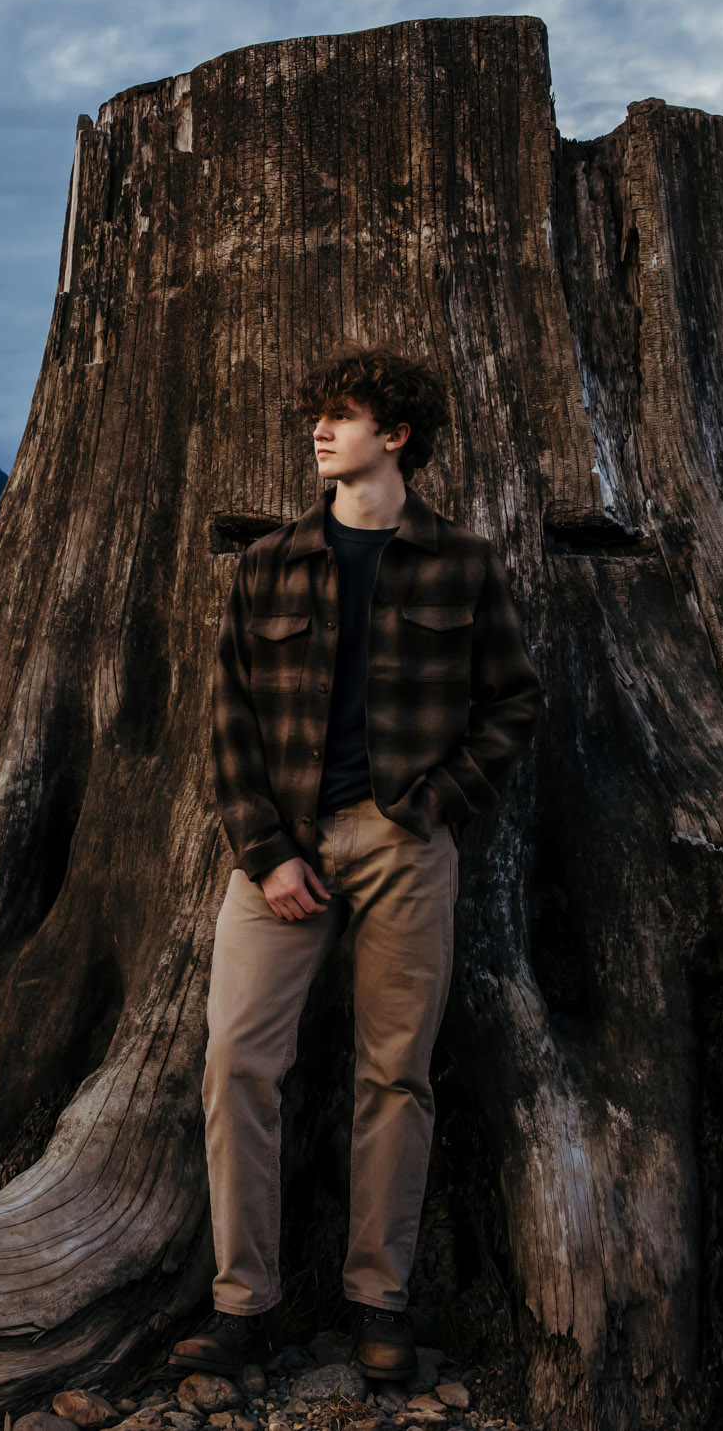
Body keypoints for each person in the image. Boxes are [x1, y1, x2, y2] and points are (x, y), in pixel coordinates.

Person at [170, 346, 541, 1383]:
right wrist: (267, 852)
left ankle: (380, 1299)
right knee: (236, 1062)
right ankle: (243, 1304)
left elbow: (512, 701)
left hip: (404, 846)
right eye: (316, 417)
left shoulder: (459, 564)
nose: (319, 432)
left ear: (397, 435)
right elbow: (226, 722)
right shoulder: (271, 563)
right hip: (278, 847)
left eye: (341, 416)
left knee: (395, 1073)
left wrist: (430, 807)